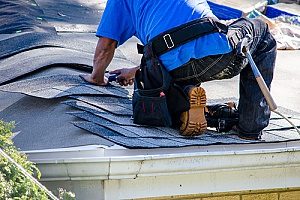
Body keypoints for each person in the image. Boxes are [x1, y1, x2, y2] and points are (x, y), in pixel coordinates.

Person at [82, 0, 277, 140]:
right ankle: (250, 127)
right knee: (262, 31)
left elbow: (106, 46)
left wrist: (97, 78)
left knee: (168, 72)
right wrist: (134, 71)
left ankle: (185, 102)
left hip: (170, 68)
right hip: (217, 55)